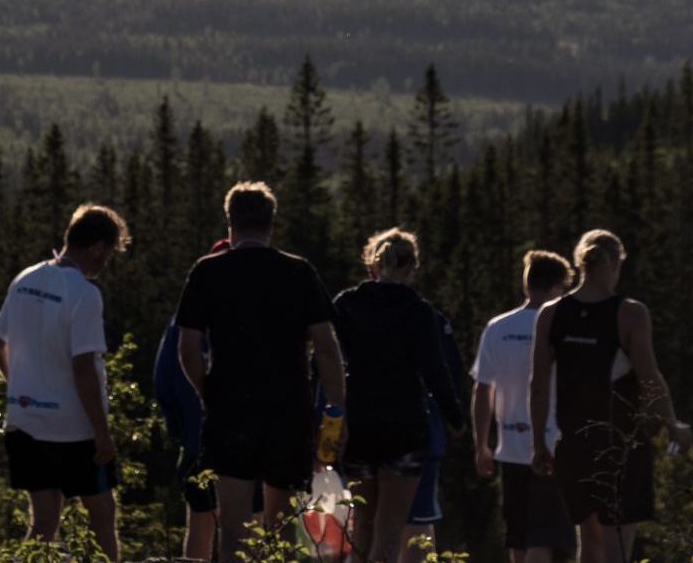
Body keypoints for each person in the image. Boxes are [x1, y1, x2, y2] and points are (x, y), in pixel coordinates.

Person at [175, 182, 346, 562]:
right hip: (289, 410)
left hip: (230, 408)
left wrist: (206, 391)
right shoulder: (298, 272)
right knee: (282, 528)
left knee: (234, 530)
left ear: (230, 222)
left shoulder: (208, 271)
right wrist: (335, 408)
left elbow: (187, 347)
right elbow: (327, 346)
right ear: (271, 222)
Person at [529, 230, 692, 563]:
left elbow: (539, 384)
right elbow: (650, 377)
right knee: (617, 544)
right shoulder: (630, 313)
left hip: (573, 444)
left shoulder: (551, 313)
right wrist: (672, 423)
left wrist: (540, 445)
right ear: (616, 264)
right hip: (621, 444)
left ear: (580, 263)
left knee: (589, 544)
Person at [0, 203, 132, 562]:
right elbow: (84, 367)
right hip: (73, 430)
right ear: (98, 247)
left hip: (23, 422)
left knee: (43, 520)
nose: (106, 263)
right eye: (109, 253)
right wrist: (102, 432)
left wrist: (23, 387)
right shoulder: (83, 293)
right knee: (101, 515)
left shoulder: (25, 279)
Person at [329, 229, 466, 563]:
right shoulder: (419, 312)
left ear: (372, 266)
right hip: (405, 428)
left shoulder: (346, 304)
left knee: (362, 523)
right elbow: (437, 372)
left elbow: (324, 361)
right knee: (390, 531)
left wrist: (329, 416)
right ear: (411, 269)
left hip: (359, 424)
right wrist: (456, 418)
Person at [473, 250, 577, 563]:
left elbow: (482, 391)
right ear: (558, 287)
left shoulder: (497, 328)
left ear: (526, 283)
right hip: (553, 446)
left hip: (510, 447)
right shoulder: (562, 327)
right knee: (545, 539)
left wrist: (481, 446)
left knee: (518, 538)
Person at [153, 239, 230, 561]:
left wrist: (180, 429)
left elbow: (162, 380)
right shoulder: (252, 317)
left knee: (201, 522)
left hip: (197, 442)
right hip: (242, 439)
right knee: (247, 523)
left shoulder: (181, 323)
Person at [399, 302, 464, 563]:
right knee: (418, 519)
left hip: (365, 434)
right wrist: (455, 418)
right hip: (419, 432)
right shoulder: (427, 316)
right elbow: (448, 374)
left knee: (371, 522)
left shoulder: (351, 307)